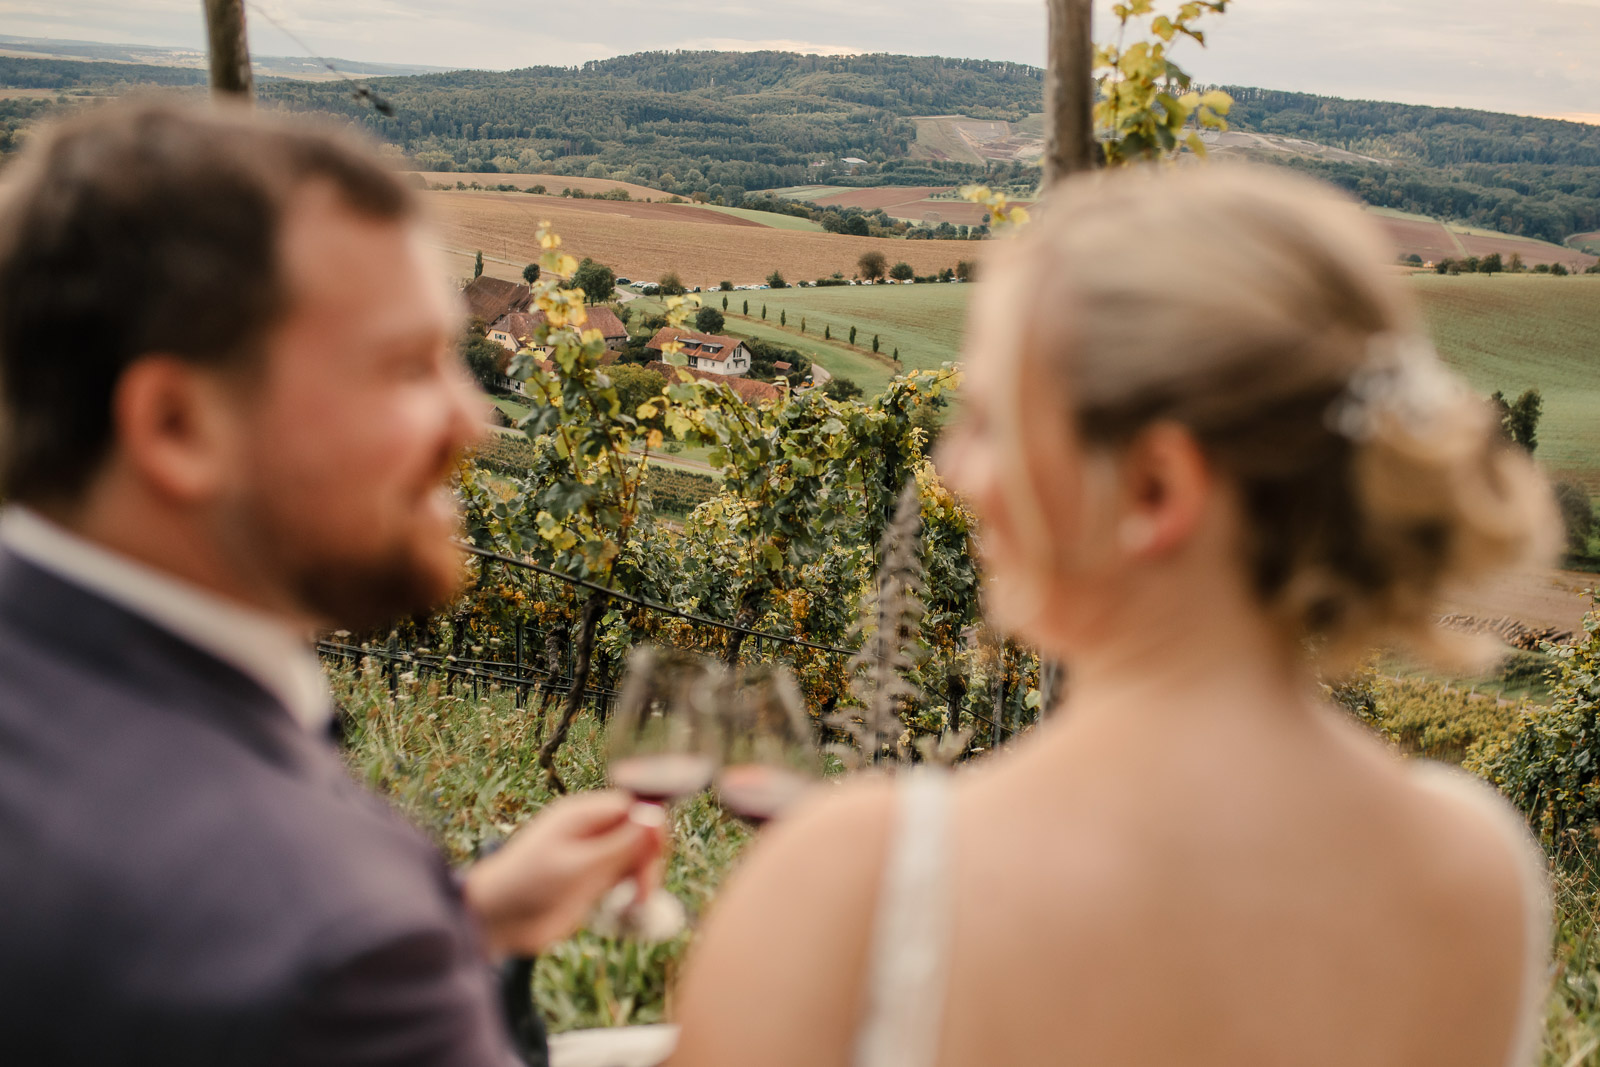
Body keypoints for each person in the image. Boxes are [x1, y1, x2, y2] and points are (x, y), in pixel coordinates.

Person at [669, 165, 1559, 1067]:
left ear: (1153, 488)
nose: (952, 467)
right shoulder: (1474, 874)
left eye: (991, 420)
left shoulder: (857, 889)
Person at [0, 101, 660, 1064]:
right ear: (177, 425)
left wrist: (471, 918)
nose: (473, 423)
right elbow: (300, 968)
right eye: (406, 367)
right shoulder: (340, 948)